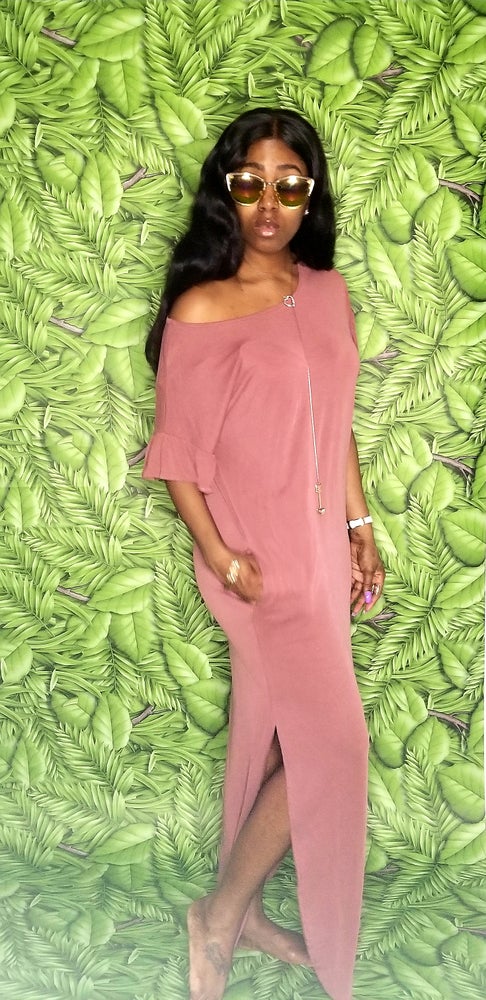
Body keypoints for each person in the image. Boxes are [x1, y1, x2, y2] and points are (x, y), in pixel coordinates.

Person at [143, 107, 385, 1000]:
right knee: (336, 747)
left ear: (309, 195)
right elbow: (177, 459)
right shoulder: (202, 308)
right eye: (251, 185)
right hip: (255, 561)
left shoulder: (326, 290)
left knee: (278, 738)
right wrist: (222, 556)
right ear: (227, 192)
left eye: (289, 186)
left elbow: (335, 420)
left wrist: (359, 527)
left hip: (318, 553)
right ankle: (217, 918)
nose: (270, 205)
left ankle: (237, 915)